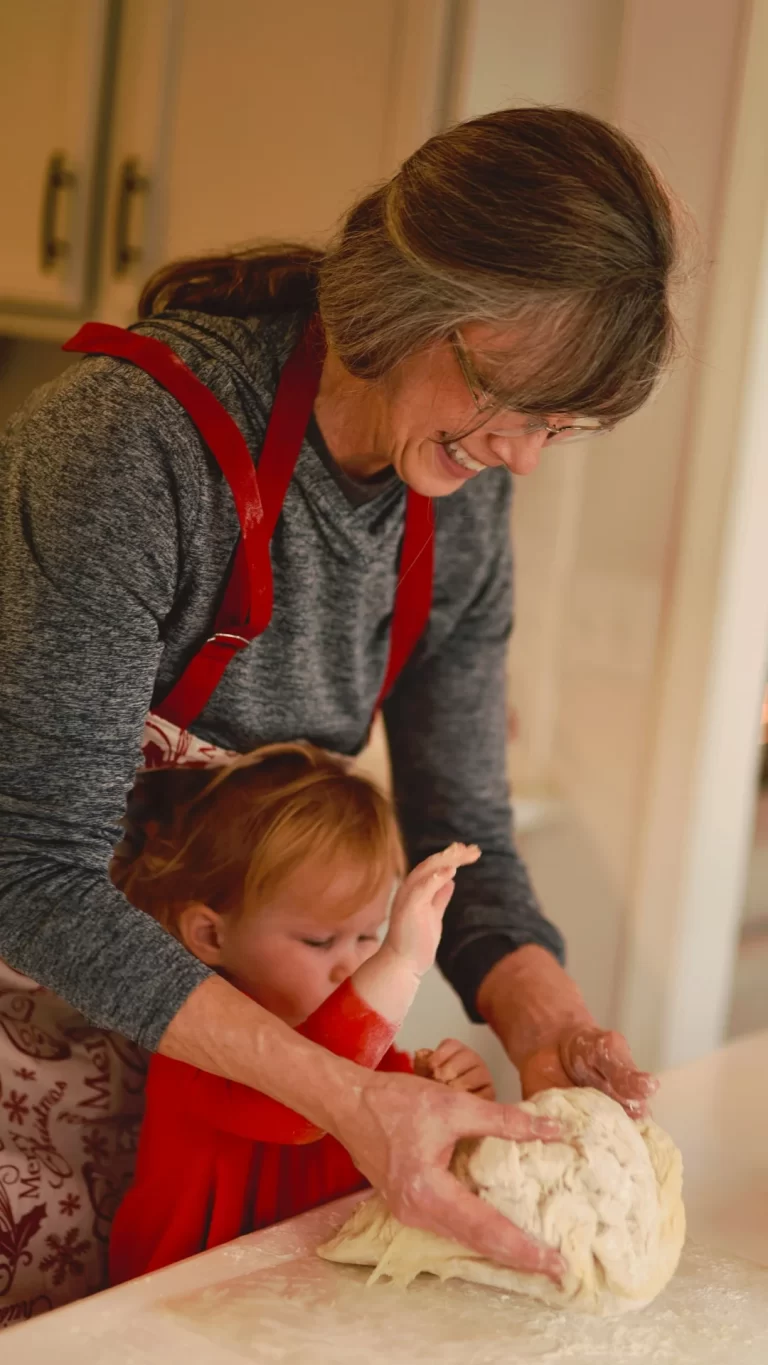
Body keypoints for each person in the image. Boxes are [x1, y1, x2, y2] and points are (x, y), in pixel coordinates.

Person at [0, 105, 675, 1319]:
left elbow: (465, 822)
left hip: (220, 1110)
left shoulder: (453, 494)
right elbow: (31, 871)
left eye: (559, 429)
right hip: (26, 1089)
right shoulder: (129, 447)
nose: (522, 458)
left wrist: (544, 1019)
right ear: (406, 307)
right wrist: (351, 1095)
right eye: (511, 401)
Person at [108, 742, 501, 1284]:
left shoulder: (366, 1045)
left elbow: (393, 1145)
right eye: (319, 941)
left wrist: (450, 1096)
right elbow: (300, 1111)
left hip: (300, 1290)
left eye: (369, 936)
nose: (353, 967)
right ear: (211, 934)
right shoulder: (191, 1044)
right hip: (173, 1299)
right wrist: (400, 961)